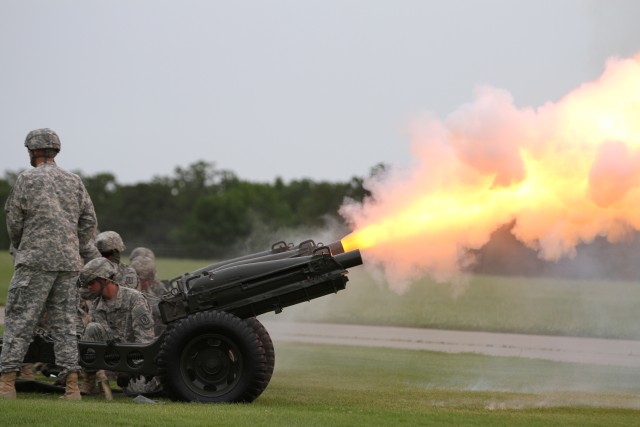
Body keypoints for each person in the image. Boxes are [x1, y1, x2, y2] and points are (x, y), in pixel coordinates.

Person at [0, 128, 98, 400]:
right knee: (66, 325)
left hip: (35, 260)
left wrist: (22, 243)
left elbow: (14, 219)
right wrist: (72, 243)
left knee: (20, 321)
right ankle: (72, 388)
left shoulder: (27, 179)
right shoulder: (74, 181)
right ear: (55, 150)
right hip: (69, 263)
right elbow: (89, 220)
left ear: (32, 151)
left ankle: (7, 385)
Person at [77, 257, 155, 395]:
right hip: (113, 358)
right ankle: (89, 382)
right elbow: (97, 344)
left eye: (92, 282)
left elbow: (145, 341)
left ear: (105, 279)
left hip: (136, 359)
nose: (88, 287)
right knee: (92, 328)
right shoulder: (96, 305)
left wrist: (130, 370)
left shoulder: (134, 299)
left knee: (137, 391)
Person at [129, 255, 169, 336]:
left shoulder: (151, 289)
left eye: (150, 279)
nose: (147, 283)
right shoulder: (128, 293)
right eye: (144, 279)